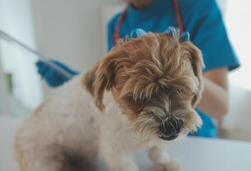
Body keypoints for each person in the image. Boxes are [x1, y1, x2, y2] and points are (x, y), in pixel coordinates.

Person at [37, 0, 240, 138]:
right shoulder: (116, 26)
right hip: (140, 140)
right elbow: (120, 98)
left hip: (196, 141)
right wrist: (85, 83)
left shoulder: (198, 7)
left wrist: (178, 71)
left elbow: (221, 107)